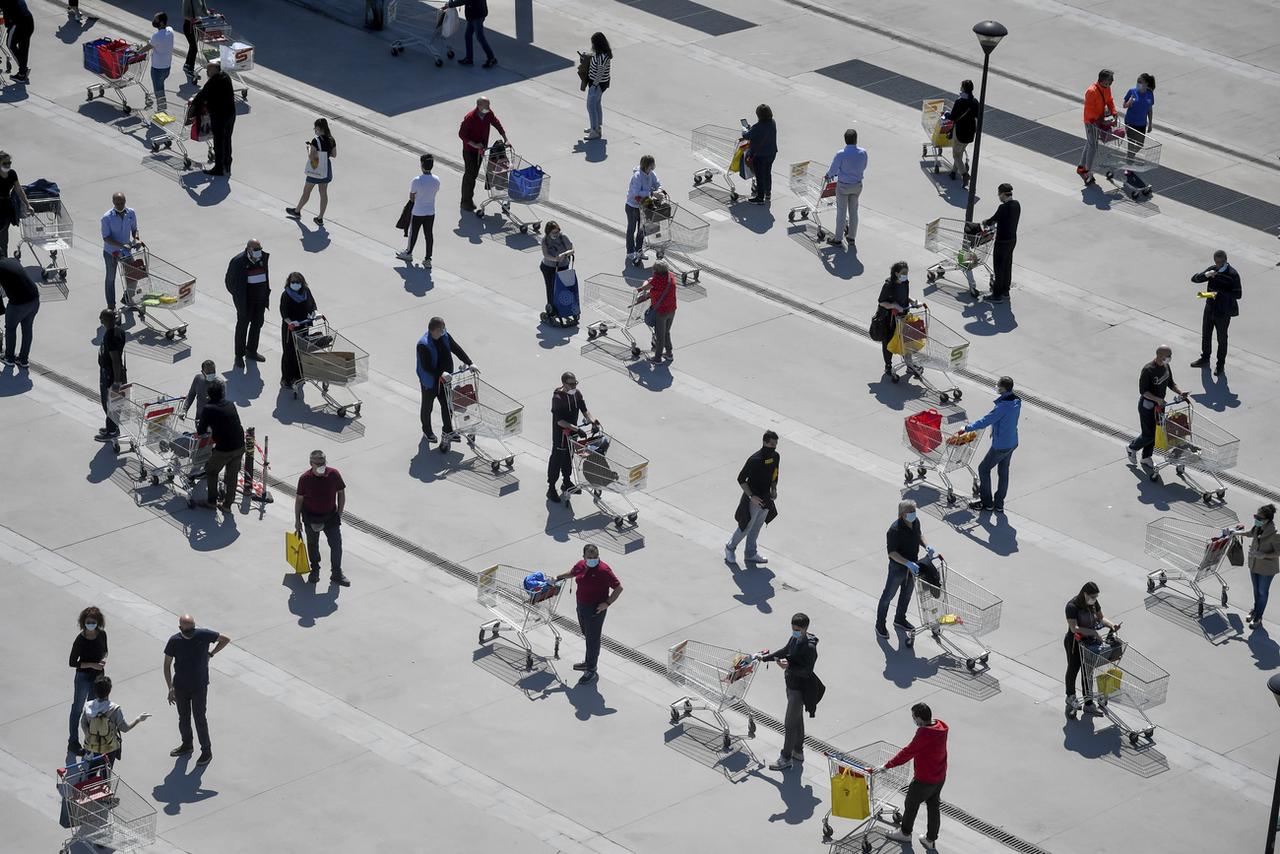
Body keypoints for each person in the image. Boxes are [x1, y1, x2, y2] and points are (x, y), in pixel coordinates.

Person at [879, 702, 949, 849]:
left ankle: (905, 833)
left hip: (924, 779)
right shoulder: (940, 727)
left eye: (913, 717)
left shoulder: (924, 733)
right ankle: (930, 840)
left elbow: (909, 751)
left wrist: (888, 765)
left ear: (919, 719)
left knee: (911, 804)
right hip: (939, 775)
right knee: (933, 806)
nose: (913, 721)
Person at [163, 613, 230, 766]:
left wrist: (210, 654)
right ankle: (187, 745)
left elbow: (225, 639)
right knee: (183, 718)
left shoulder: (203, 634)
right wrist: (170, 688)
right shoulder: (174, 641)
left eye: (192, 629)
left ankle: (206, 751)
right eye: (187, 630)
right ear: (180, 628)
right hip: (180, 687)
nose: (191, 633)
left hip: (199, 686)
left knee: (200, 718)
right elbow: (166, 665)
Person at [554, 544, 622, 685]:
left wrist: (607, 603)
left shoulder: (604, 570)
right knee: (587, 634)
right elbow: (573, 573)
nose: (593, 559)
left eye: (595, 557)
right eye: (589, 557)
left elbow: (618, 588)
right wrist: (558, 577)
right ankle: (588, 661)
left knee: (592, 639)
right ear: (583, 557)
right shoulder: (581, 565)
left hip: (595, 610)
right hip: (582, 606)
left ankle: (591, 669)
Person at [760, 612, 820, 771]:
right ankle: (798, 751)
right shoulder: (794, 638)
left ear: (806, 628)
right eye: (793, 629)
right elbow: (785, 650)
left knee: (789, 725)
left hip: (799, 690)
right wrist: (765, 658)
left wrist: (789, 667)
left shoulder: (810, 648)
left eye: (798, 630)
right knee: (797, 719)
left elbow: (807, 672)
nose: (794, 632)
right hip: (791, 685)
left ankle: (785, 758)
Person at [877, 499, 934, 639]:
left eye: (914, 511)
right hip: (898, 568)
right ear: (902, 514)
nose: (913, 514)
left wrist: (926, 545)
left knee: (906, 595)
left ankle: (900, 619)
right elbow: (892, 553)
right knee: (888, 596)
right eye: (910, 512)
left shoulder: (915, 522)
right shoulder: (894, 530)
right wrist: (907, 563)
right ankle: (880, 625)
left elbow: (919, 535)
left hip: (912, 566)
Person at [1126, 345, 1187, 472]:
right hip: (1147, 406)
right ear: (1160, 356)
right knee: (1149, 433)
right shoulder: (1148, 370)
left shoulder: (1166, 366)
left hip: (1160, 406)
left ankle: (1146, 457)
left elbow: (1171, 383)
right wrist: (1157, 399)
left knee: (1157, 432)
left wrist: (1180, 392)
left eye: (1170, 355)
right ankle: (1132, 447)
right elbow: (1143, 391)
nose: (1170, 358)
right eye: (1168, 356)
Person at [964, 376, 1021, 513]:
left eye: (998, 385)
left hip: (1000, 446)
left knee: (983, 469)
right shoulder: (1016, 401)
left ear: (1003, 388)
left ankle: (987, 503)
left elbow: (986, 420)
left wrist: (966, 428)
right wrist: (994, 428)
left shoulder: (1002, 406)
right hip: (1012, 442)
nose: (996, 386)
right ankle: (999, 504)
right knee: (1003, 472)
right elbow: (1004, 420)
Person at [1064, 581, 1121, 716]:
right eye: (1092, 596)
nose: (1094, 599)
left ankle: (1088, 703)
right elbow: (1074, 628)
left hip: (1090, 644)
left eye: (1096, 597)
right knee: (1073, 669)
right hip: (1075, 643)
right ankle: (1070, 696)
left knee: (1087, 671)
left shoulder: (1093, 603)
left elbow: (1101, 618)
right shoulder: (1072, 606)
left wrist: (1112, 625)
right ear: (1085, 594)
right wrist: (1094, 633)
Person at [724, 430, 780, 566]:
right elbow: (741, 479)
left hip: (766, 497)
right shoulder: (754, 460)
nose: (774, 447)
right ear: (764, 442)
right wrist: (751, 496)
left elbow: (775, 473)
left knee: (757, 526)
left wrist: (774, 488)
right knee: (746, 526)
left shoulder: (776, 456)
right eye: (772, 444)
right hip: (754, 498)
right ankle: (729, 548)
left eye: (776, 444)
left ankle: (750, 553)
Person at [295, 449, 349, 586]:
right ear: (310, 463)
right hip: (310, 517)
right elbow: (299, 500)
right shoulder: (304, 479)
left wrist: (339, 514)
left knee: (336, 545)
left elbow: (341, 493)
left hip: (330, 516)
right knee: (313, 545)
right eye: (317, 463)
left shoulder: (334, 474)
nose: (321, 465)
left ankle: (336, 572)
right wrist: (297, 520)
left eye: (323, 462)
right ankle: (315, 570)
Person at [416, 316, 473, 444]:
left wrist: (469, 363)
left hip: (445, 379)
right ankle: (427, 431)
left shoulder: (445, 336)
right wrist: (441, 374)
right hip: (430, 382)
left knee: (448, 406)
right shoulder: (423, 345)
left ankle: (447, 430)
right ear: (434, 331)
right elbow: (426, 367)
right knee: (427, 407)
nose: (444, 331)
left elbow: (456, 348)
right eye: (441, 329)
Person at [547, 371, 600, 502]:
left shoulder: (577, 394)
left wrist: (592, 421)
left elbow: (584, 410)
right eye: (571, 384)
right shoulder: (557, 399)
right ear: (564, 384)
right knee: (557, 460)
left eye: (575, 383)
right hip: (561, 435)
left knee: (568, 458)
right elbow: (559, 421)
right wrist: (575, 428)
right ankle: (551, 488)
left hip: (573, 434)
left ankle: (566, 482)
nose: (574, 386)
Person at [1190, 250, 1242, 375]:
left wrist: (1219, 294)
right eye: (1217, 262)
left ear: (1225, 260)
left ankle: (1220, 366)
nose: (1218, 265)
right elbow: (1194, 279)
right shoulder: (1213, 269)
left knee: (1222, 339)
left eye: (1221, 262)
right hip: (1209, 308)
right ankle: (1205, 359)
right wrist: (1207, 275)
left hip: (1223, 312)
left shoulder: (1233, 274)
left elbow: (1238, 294)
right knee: (1206, 335)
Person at [80, 675, 150, 767]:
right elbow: (125, 728)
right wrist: (139, 719)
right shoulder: (115, 709)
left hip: (92, 747)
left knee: (91, 773)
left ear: (95, 691)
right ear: (109, 691)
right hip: (109, 748)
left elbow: (83, 724)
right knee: (106, 774)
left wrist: (91, 737)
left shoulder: (87, 706)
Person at [195, 380, 244, 510]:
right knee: (232, 475)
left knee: (211, 471)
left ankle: (211, 501)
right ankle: (227, 505)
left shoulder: (208, 408)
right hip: (240, 445)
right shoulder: (230, 404)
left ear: (208, 395)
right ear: (222, 393)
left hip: (224, 449)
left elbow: (201, 431)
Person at [67, 606, 108, 755]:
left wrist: (103, 660)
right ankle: (72, 742)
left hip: (97, 678)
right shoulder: (80, 640)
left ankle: (91, 742)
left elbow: (105, 651)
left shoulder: (102, 634)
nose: (91, 624)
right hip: (83, 677)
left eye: (93, 622)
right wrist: (91, 664)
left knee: (93, 711)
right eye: (88, 622)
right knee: (77, 709)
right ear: (83, 622)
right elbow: (72, 662)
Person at [224, 238, 270, 367]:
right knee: (242, 328)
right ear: (249, 249)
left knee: (257, 325)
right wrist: (239, 296)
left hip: (259, 301)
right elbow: (229, 282)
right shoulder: (238, 261)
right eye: (256, 249)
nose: (259, 251)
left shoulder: (262, 258)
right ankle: (239, 355)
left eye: (260, 248)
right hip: (245, 302)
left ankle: (251, 351)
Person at [457, 97, 508, 211]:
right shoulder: (470, 118)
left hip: (481, 150)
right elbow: (462, 135)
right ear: (479, 106)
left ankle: (468, 199)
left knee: (474, 174)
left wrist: (505, 138)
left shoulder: (488, 114)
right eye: (486, 106)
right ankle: (466, 201)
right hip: (470, 151)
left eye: (489, 106)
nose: (488, 108)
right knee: (470, 175)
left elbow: (496, 123)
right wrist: (474, 145)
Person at [286, 118, 337, 226]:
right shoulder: (331, 139)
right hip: (326, 169)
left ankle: (297, 211)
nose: (315, 130)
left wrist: (309, 147)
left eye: (315, 128)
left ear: (319, 128)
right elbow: (334, 154)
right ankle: (320, 218)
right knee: (323, 193)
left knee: (307, 191)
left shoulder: (315, 140)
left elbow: (311, 156)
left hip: (316, 168)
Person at [190, 59, 236, 176]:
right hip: (230, 114)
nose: (207, 72)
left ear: (215, 69)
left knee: (219, 141)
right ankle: (227, 163)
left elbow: (202, 95)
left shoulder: (214, 81)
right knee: (227, 139)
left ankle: (219, 168)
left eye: (208, 69)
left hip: (219, 116)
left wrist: (192, 108)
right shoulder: (225, 77)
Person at [824, 128, 867, 248]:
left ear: (845, 140)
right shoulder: (863, 152)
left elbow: (833, 169)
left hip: (843, 187)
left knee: (841, 212)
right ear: (856, 139)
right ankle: (851, 237)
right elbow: (864, 166)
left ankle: (838, 239)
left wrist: (828, 176)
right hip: (857, 186)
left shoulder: (841, 154)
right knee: (854, 212)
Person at [397, 153, 440, 267]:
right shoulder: (436, 180)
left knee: (413, 233)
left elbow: (412, 197)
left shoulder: (416, 180)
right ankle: (428, 259)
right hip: (431, 211)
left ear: (422, 165)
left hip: (418, 211)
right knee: (429, 235)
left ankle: (409, 253)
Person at [1240, 505, 1279, 629]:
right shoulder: (1258, 527)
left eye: (1258, 517)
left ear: (1267, 520)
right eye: (1255, 516)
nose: (1256, 519)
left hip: (1266, 569)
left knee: (1262, 592)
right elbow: (1250, 533)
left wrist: (1264, 555)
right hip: (1254, 564)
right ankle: (1255, 610)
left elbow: (1278, 552)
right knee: (1256, 590)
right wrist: (1236, 533)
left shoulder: (1275, 534)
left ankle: (1258, 616)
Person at [100, 192, 140, 310]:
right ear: (113, 202)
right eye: (117, 203)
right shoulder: (107, 217)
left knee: (134, 274)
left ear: (125, 201)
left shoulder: (131, 213)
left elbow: (135, 229)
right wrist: (122, 245)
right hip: (111, 253)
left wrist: (136, 239)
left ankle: (128, 297)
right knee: (110, 278)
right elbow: (106, 238)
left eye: (122, 202)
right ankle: (111, 306)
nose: (120, 205)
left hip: (126, 252)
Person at [1077, 69, 1116, 186]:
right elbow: (1089, 111)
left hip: (1100, 120)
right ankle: (1087, 170)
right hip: (1091, 122)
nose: (1110, 84)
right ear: (1102, 80)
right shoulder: (1091, 91)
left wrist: (1113, 112)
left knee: (1090, 143)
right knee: (1093, 146)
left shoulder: (1106, 88)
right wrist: (1102, 121)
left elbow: (1109, 100)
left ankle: (1081, 166)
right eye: (1109, 81)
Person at [981, 183, 1020, 302]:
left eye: (999, 194)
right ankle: (1005, 291)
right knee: (1007, 266)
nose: (998, 196)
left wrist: (985, 222)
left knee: (999, 268)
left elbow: (993, 219)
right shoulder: (1017, 205)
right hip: (1012, 240)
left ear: (1003, 194)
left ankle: (997, 295)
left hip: (1002, 241)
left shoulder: (1002, 208)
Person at [279, 272, 317, 389]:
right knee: (289, 352)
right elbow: (284, 313)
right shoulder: (286, 295)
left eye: (298, 282)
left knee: (301, 351)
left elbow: (312, 305)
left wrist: (312, 313)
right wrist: (290, 322)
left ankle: (299, 376)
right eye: (293, 283)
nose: (295, 285)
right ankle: (287, 378)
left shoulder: (306, 292)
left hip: (303, 325)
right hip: (291, 328)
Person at [0, 256, 39, 368]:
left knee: (11, 328)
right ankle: (23, 360)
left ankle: (9, 358)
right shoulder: (12, 260)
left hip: (18, 304)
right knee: (27, 329)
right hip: (34, 299)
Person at [96, 309, 127, 443]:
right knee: (112, 403)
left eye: (102, 318)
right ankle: (112, 427)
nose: (100, 319)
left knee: (109, 403)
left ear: (108, 320)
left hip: (111, 374)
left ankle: (112, 431)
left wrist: (116, 381)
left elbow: (115, 360)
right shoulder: (119, 331)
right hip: (112, 372)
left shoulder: (111, 337)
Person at [635, 260, 677, 362]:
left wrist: (642, 285)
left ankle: (657, 358)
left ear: (656, 272)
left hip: (661, 311)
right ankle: (669, 353)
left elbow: (643, 288)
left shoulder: (656, 280)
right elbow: (659, 290)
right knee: (666, 332)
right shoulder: (670, 276)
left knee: (660, 335)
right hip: (672, 309)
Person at [875, 261, 912, 377]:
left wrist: (913, 301)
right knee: (888, 341)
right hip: (890, 319)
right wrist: (894, 306)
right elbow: (882, 302)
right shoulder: (888, 285)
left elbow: (905, 297)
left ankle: (909, 365)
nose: (905, 274)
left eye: (907, 272)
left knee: (908, 340)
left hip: (903, 316)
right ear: (896, 273)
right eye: (903, 272)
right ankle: (888, 365)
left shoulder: (905, 282)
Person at [624, 155, 661, 265]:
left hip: (644, 204)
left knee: (642, 229)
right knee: (632, 228)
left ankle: (639, 250)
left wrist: (659, 190)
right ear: (647, 165)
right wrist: (651, 193)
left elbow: (657, 183)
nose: (653, 167)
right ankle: (630, 251)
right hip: (633, 206)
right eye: (651, 165)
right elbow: (635, 193)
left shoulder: (651, 174)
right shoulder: (637, 176)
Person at [135, 13, 175, 112]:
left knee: (159, 89)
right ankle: (161, 107)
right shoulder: (170, 31)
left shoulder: (156, 35)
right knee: (161, 86)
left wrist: (138, 52)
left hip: (158, 69)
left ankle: (161, 110)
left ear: (161, 23)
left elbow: (148, 47)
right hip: (167, 67)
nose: (154, 21)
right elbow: (156, 42)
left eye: (156, 20)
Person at [740, 103, 777, 204]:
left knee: (760, 175)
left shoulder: (757, 127)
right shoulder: (772, 122)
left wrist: (744, 130)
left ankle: (760, 197)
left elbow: (747, 136)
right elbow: (762, 133)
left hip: (760, 155)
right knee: (767, 173)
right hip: (772, 153)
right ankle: (768, 193)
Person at [0, 151, 33, 259]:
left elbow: (19, 190)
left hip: (6, 206)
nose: (8, 165)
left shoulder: (12, 174)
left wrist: (28, 204)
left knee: (4, 235)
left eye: (9, 163)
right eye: (5, 163)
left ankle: (3, 259)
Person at [446, 0, 496, 68]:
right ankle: (469, 58)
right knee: (468, 36)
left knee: (480, 37)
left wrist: (450, 4)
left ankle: (491, 58)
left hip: (477, 15)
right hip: (473, 14)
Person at [538, 221, 573, 316]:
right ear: (548, 232)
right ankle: (551, 307)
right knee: (551, 287)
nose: (556, 234)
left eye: (557, 232)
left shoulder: (563, 237)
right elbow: (545, 254)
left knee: (563, 288)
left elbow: (571, 249)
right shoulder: (545, 240)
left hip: (562, 266)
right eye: (553, 233)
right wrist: (555, 259)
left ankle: (563, 306)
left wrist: (564, 254)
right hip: (548, 267)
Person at [581, 32, 611, 139]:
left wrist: (594, 85)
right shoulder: (600, 53)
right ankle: (596, 127)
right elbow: (594, 57)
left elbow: (600, 72)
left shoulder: (602, 56)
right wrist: (587, 56)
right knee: (596, 105)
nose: (592, 45)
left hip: (597, 85)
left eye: (593, 43)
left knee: (590, 106)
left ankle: (594, 131)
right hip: (598, 84)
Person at [947, 80, 977, 183]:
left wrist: (946, 115)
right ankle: (953, 172)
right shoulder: (975, 102)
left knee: (956, 155)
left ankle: (964, 174)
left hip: (960, 132)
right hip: (970, 133)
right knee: (959, 153)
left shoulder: (959, 102)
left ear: (963, 88)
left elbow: (952, 117)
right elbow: (977, 116)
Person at [1122, 73, 1155, 160]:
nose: (1138, 83)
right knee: (1131, 144)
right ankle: (1129, 164)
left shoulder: (1150, 94)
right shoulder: (1131, 91)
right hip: (1130, 122)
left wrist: (1150, 123)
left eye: (1140, 82)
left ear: (1146, 84)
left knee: (1140, 144)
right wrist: (1128, 103)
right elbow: (1124, 105)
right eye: (1137, 81)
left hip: (1142, 123)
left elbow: (1149, 110)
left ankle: (1129, 157)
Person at [0, 0, 34, 83]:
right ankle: (22, 74)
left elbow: (7, 20)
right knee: (24, 48)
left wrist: (8, 27)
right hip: (29, 21)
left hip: (19, 24)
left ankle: (23, 70)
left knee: (10, 44)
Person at [180, 0, 210, 81]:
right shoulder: (187, 1)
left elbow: (204, 11)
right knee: (194, 48)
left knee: (193, 46)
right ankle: (191, 69)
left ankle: (187, 65)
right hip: (189, 26)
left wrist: (212, 14)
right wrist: (194, 19)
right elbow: (185, 15)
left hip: (198, 26)